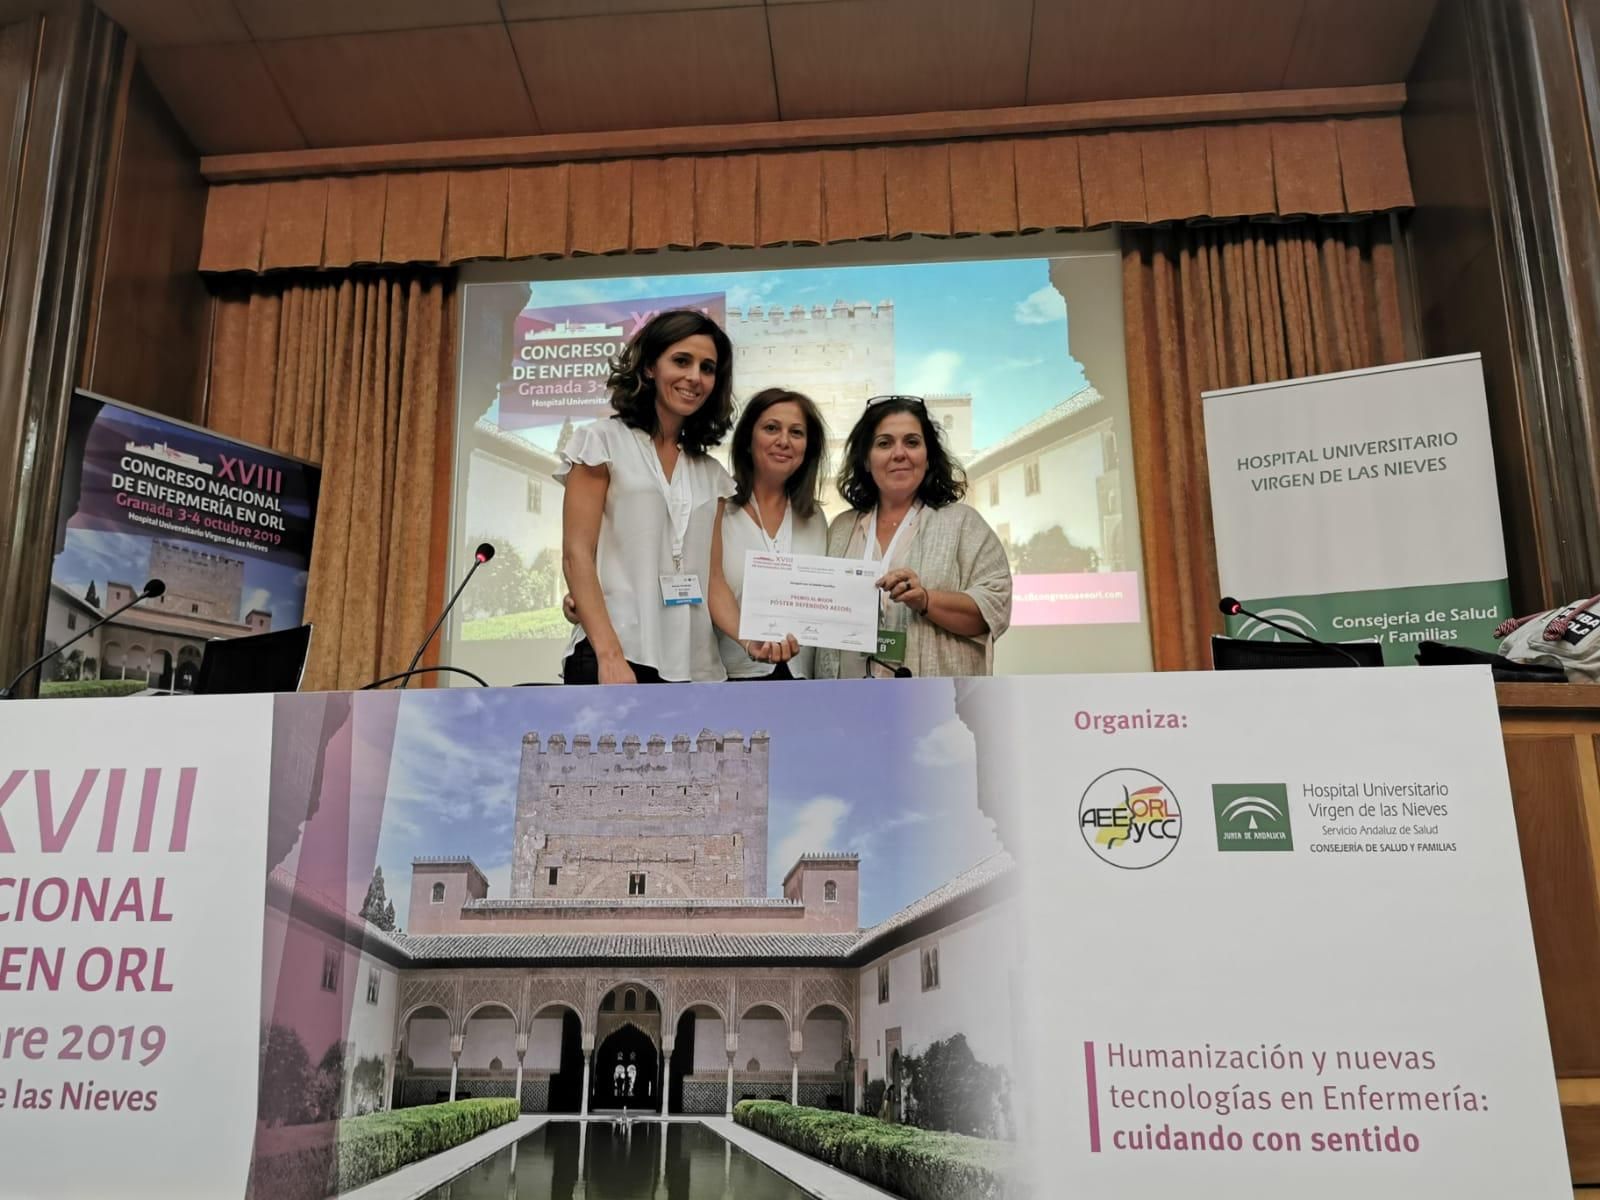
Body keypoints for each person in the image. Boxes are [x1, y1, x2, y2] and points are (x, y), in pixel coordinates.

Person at [558, 309, 736, 684]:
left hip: (694, 667)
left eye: (707, 368)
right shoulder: (601, 442)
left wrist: (754, 640)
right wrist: (609, 656)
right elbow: (577, 555)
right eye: (681, 361)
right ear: (650, 367)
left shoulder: (712, 475)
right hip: (616, 655)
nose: (695, 377)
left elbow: (714, 581)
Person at [813, 395, 1012, 679]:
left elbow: (994, 607)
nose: (899, 453)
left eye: (912, 442)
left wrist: (926, 600)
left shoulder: (964, 524)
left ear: (928, 458)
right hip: (846, 699)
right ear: (866, 460)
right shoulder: (840, 528)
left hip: (931, 701)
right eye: (884, 443)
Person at [683, 388, 831, 681]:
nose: (784, 441)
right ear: (748, 440)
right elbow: (706, 584)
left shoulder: (815, 517)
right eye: (771, 428)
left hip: (801, 680)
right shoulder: (716, 508)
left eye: (796, 432)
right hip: (731, 678)